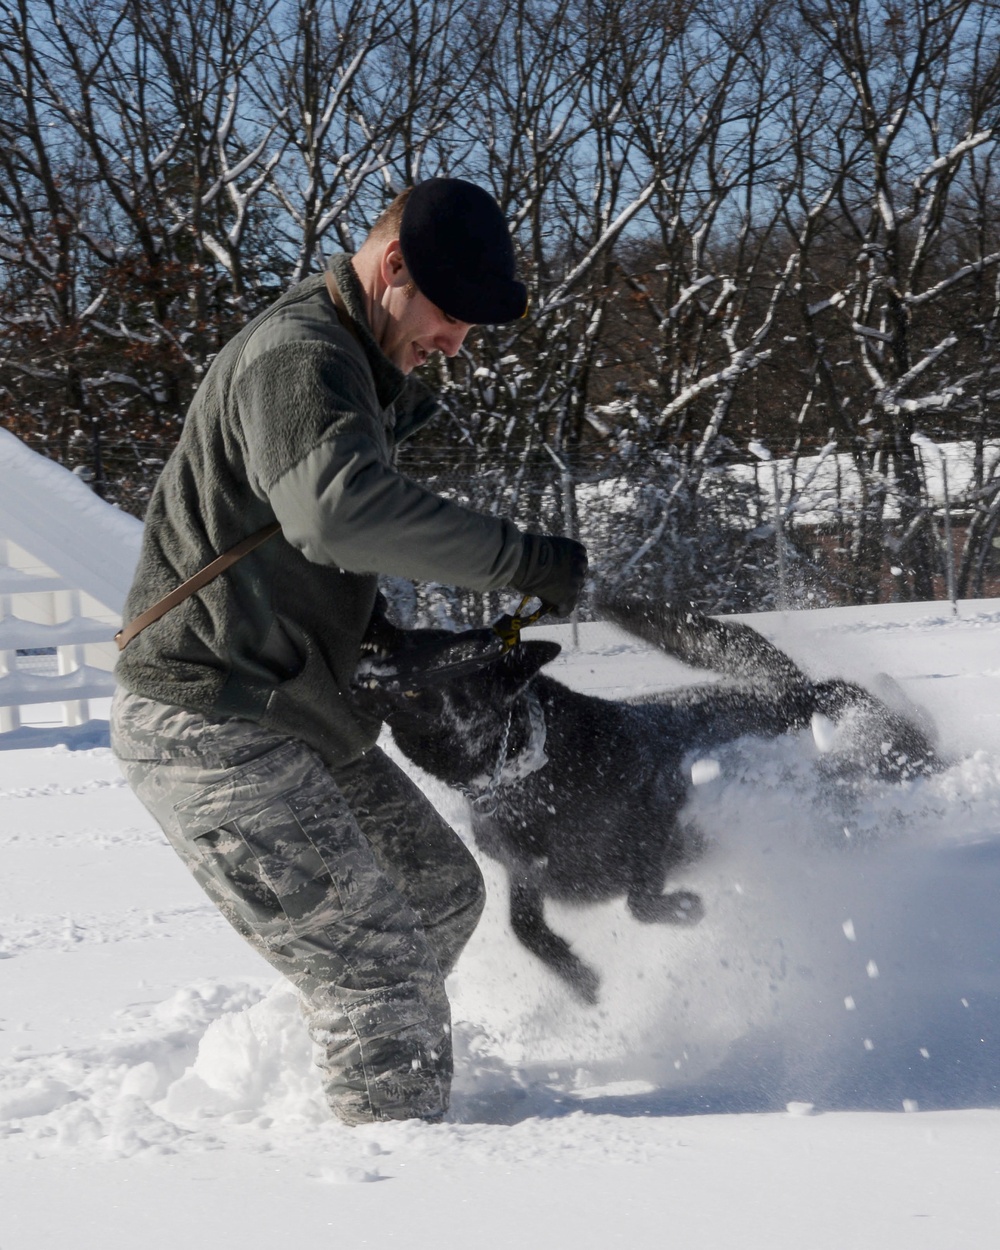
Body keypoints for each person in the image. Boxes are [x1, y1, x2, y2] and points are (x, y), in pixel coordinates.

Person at [110, 177, 587, 1126]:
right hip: (208, 720)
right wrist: (520, 559)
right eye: (449, 313)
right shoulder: (300, 355)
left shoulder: (350, 366)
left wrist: (400, 647)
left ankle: (321, 1085)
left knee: (439, 897)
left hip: (287, 710)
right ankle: (381, 1186)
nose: (456, 343)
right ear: (393, 265)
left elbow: (292, 547)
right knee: (380, 974)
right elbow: (335, 513)